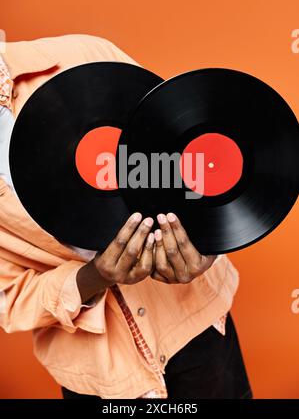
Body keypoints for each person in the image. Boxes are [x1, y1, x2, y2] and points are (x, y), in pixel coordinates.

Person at [0, 34, 252, 399]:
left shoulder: (84, 56)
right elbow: (8, 297)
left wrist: (204, 244)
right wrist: (92, 278)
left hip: (198, 329)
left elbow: (190, 155)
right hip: (97, 373)